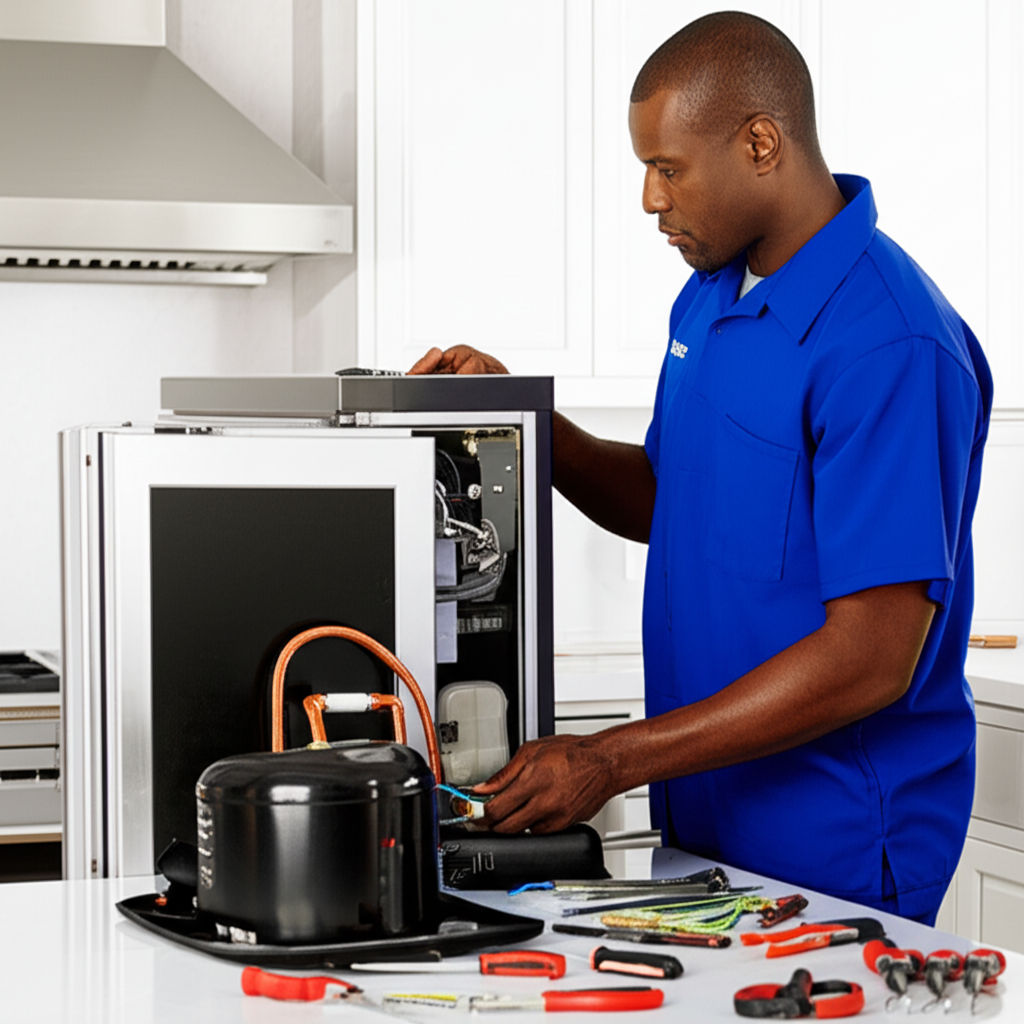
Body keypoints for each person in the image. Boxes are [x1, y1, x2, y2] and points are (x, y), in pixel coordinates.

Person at [409, 11, 992, 924]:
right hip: (712, 825)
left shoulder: (891, 342)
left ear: (760, 142)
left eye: (668, 168)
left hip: (834, 843)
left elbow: (873, 658)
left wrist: (612, 760)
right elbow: (671, 501)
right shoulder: (713, 297)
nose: (650, 198)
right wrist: (523, 418)